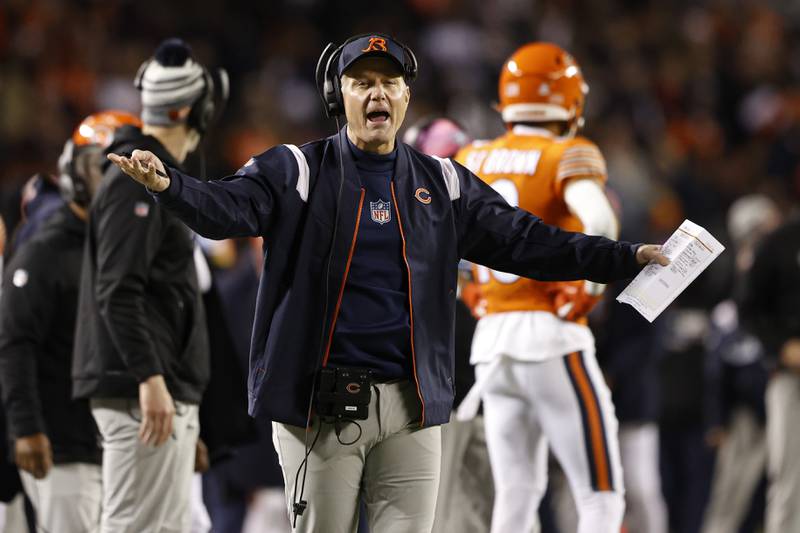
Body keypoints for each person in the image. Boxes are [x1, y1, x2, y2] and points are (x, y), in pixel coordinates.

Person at [107, 33, 668, 533]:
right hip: (322, 406)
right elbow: (224, 209)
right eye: (362, 82)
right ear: (339, 96)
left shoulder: (443, 182)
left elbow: (533, 242)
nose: (378, 93)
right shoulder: (297, 169)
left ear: (405, 98)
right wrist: (171, 187)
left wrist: (625, 257)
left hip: (412, 404)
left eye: (390, 83)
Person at [453, 42, 630, 533]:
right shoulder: (567, 152)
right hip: (551, 335)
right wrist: (591, 289)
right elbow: (598, 218)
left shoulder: (474, 156)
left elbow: (451, 241)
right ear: (572, 102)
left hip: (493, 341)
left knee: (516, 492)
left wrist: (470, 285)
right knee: (600, 495)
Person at [72, 38, 223, 533]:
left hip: (156, 387)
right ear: (196, 110)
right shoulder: (137, 175)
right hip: (142, 390)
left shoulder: (160, 174)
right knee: (135, 527)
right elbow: (117, 290)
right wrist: (151, 378)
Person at [0, 110, 141, 533]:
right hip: (61, 440)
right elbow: (13, 340)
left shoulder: (129, 246)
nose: (106, 179)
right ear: (72, 168)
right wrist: (26, 428)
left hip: (120, 440)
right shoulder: (46, 250)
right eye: (98, 166)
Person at [739, 200, 800, 533]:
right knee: (790, 478)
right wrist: (781, 346)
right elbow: (748, 308)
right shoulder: (783, 240)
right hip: (792, 379)